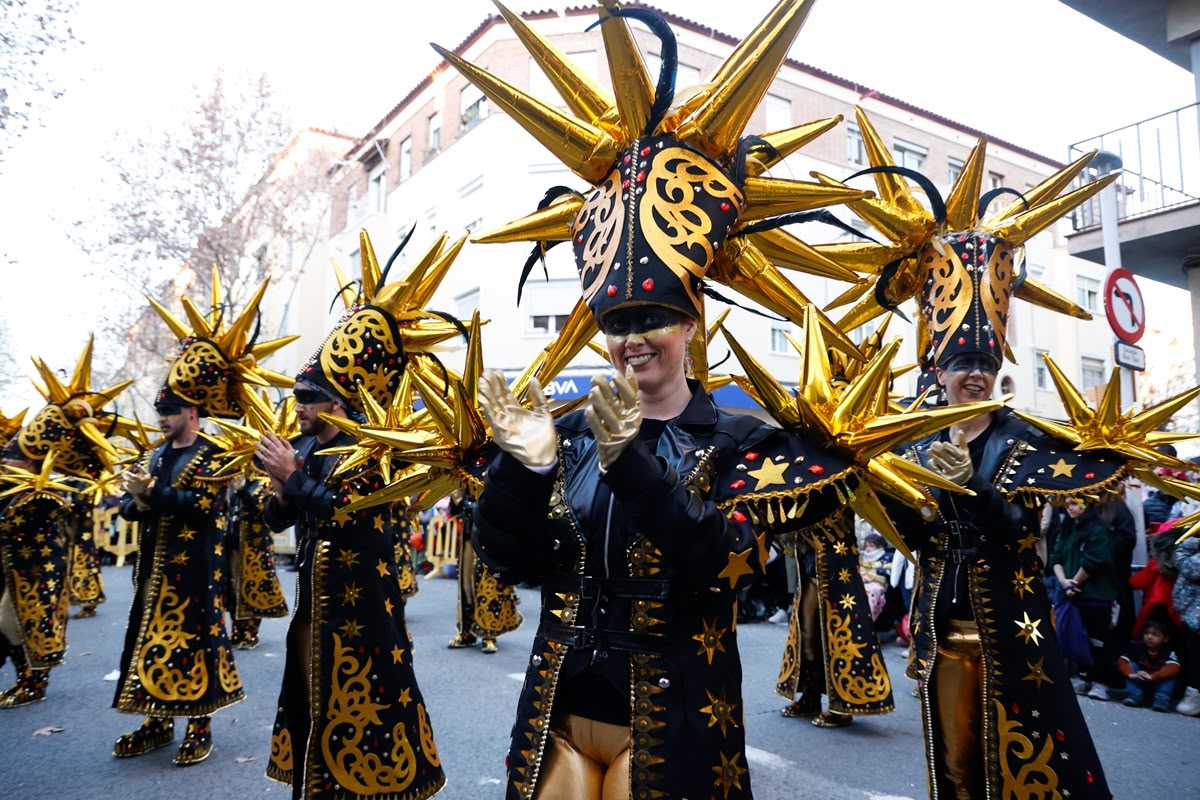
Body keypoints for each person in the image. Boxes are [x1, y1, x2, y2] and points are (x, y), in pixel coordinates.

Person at [256, 232, 448, 800]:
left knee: (371, 717)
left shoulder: (376, 450)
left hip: (365, 611)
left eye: (307, 398)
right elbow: (277, 522)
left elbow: (357, 520)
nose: (299, 407)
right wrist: (280, 486)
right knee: (314, 707)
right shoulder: (307, 447)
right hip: (316, 608)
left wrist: (294, 479)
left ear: (337, 402)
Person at [113, 279, 294, 766]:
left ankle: (199, 726)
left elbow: (205, 508)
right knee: (150, 645)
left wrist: (153, 494)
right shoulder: (153, 456)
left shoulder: (215, 454)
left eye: (168, 412)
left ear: (192, 412)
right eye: (158, 412)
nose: (161, 420)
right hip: (153, 571)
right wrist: (134, 498)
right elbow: (133, 510)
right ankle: (155, 720)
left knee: (195, 645)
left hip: (196, 571)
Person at [0, 343, 136, 708]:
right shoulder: (18, 481)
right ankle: (26, 677)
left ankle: (33, 681)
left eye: (15, 462)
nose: (10, 466)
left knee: (19, 623)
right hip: (19, 566)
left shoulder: (49, 494)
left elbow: (59, 520)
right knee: (9, 623)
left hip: (40, 567)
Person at [775, 510, 894, 730]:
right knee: (807, 634)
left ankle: (843, 704)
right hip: (810, 563)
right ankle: (810, 697)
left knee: (839, 635)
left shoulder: (839, 478)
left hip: (837, 568)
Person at [1050, 497, 1119, 700]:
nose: (1070, 507)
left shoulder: (1098, 529)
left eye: (1075, 503)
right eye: (1068, 503)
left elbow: (1094, 560)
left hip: (1095, 594)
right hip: (1070, 593)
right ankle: (1084, 676)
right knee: (1074, 638)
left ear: (1087, 504)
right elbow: (1056, 558)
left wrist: (1075, 583)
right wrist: (1065, 583)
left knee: (1097, 640)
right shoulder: (1068, 528)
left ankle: (1100, 682)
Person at [445, 488, 521, 654]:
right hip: (469, 534)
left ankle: (489, 634)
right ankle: (467, 632)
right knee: (466, 586)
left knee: (489, 585)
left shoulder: (498, 467)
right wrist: (459, 498)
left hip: (491, 537)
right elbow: (455, 508)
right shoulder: (465, 470)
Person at [224, 471, 288, 649]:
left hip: (255, 547)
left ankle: (251, 632)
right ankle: (237, 631)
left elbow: (262, 511)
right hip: (233, 543)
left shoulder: (264, 482)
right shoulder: (233, 481)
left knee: (253, 588)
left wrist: (243, 490)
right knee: (232, 588)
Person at [1118, 616, 1181, 711]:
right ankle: (1134, 695)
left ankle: (1161, 699)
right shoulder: (1139, 648)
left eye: (1155, 634)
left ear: (1165, 638)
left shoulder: (1168, 652)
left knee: (1171, 672)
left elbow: (1174, 667)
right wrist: (1131, 674)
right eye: (1146, 633)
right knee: (1130, 665)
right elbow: (1122, 661)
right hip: (1141, 682)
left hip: (1158, 683)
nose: (1149, 637)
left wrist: (1153, 676)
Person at [1172, 520, 1200, 715]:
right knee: (1191, 651)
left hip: (1194, 612)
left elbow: (1192, 567)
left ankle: (1194, 695)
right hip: (1192, 611)